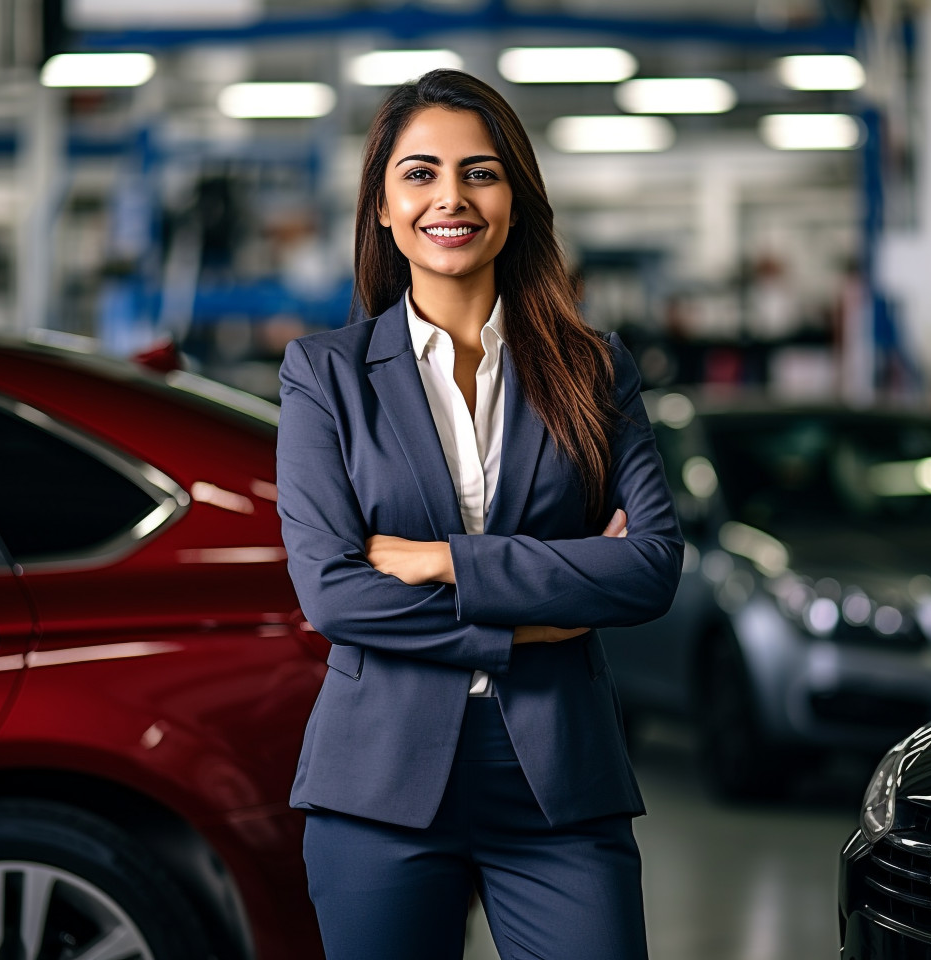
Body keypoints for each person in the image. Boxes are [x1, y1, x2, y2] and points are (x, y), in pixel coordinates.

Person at [276, 69, 684, 960]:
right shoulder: (325, 376)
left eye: (480, 172)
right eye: (419, 174)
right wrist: (533, 625)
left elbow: (650, 566)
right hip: (378, 785)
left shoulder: (594, 369)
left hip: (561, 783)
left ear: (516, 198)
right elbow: (336, 597)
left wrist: (446, 561)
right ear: (382, 207)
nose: (449, 197)